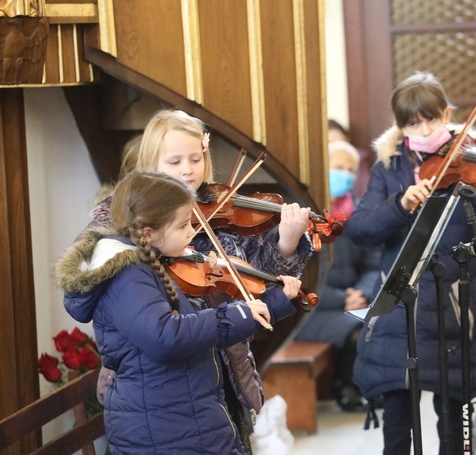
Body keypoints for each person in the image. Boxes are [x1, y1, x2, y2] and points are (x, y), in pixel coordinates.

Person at [87, 109, 313, 451]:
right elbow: (152, 322)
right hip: (164, 391)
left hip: (225, 372)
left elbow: (253, 279)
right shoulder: (119, 223)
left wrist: (288, 241)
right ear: (149, 163)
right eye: (174, 161)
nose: (187, 170)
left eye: (195, 158)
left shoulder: (220, 212)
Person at [347, 71, 476, 454]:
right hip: (401, 311)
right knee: (397, 425)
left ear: (446, 113)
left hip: (457, 308)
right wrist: (400, 205)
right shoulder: (389, 167)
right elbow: (360, 230)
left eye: (432, 119)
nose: (425, 129)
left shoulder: (473, 159)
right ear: (400, 125)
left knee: (456, 428)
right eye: (414, 123)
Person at [57, 169, 290, 453]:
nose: (193, 232)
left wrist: (273, 304)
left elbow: (198, 334)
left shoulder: (153, 262)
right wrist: (236, 314)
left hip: (181, 420)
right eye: (183, 226)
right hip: (165, 430)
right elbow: (168, 336)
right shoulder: (127, 276)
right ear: (147, 233)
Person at [295, 140, 382, 412]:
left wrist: (362, 293)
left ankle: (372, 386)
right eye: (338, 167)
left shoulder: (358, 214)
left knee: (381, 322)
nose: (344, 174)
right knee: (357, 329)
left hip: (351, 300)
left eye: (350, 169)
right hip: (312, 308)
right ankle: (344, 386)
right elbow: (298, 272)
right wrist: (340, 298)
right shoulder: (305, 213)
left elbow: (372, 263)